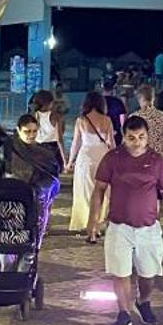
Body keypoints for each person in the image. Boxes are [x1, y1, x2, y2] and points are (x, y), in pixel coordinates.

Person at [87, 114, 163, 325]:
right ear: (124, 137)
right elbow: (99, 190)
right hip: (119, 226)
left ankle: (143, 300)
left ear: (147, 137)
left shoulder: (157, 160)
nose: (137, 142)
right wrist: (93, 221)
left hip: (148, 227)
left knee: (148, 274)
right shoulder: (113, 158)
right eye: (132, 137)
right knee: (120, 272)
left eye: (141, 137)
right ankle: (124, 313)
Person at [0, 111, 65, 235]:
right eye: (27, 131)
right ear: (18, 130)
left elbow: (52, 178)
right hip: (9, 199)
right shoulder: (7, 150)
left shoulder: (45, 154)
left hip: (36, 201)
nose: (31, 135)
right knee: (9, 236)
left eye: (34, 131)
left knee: (31, 238)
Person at [66, 89, 117, 232]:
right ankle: (99, 221)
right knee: (103, 191)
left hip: (86, 157)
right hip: (103, 156)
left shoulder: (81, 120)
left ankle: (89, 222)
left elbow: (75, 144)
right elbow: (112, 144)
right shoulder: (106, 120)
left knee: (86, 191)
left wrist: (70, 162)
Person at [134, 83, 163, 167]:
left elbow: (127, 143)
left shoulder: (133, 118)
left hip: (139, 163)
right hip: (160, 163)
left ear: (139, 99)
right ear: (153, 98)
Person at [101, 74, 126, 144]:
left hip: (102, 131)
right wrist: (123, 131)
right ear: (113, 89)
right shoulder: (118, 102)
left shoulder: (98, 102)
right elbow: (122, 117)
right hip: (116, 131)